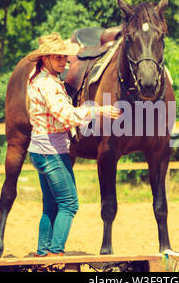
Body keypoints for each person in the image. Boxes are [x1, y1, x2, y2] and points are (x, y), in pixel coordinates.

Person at [26, 33, 121, 257]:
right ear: (46, 58)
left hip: (42, 150)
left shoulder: (38, 78)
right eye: (59, 57)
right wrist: (99, 110)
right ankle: (55, 254)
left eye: (65, 57)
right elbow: (66, 115)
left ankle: (43, 253)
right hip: (52, 152)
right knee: (69, 204)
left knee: (51, 206)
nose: (65, 61)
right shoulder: (48, 84)